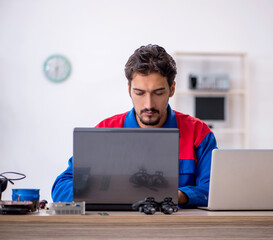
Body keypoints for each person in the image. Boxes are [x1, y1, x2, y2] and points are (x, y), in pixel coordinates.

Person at [51, 44, 217, 207]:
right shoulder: (104, 131)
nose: (148, 104)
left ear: (172, 89)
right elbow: (61, 186)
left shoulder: (198, 133)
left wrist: (177, 196)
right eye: (140, 93)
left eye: (158, 93)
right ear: (129, 89)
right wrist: (105, 193)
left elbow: (213, 190)